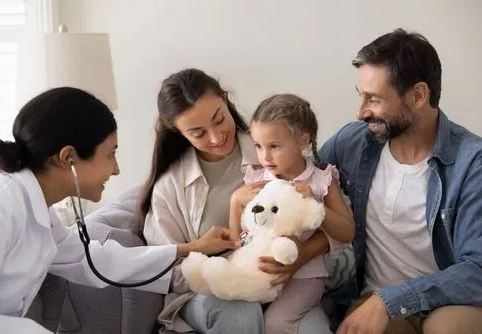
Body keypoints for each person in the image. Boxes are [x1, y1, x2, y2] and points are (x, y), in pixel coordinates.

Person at [0, 87, 239, 334]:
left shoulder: (37, 212)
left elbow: (94, 261)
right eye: (110, 154)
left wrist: (190, 248)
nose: (115, 170)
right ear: (68, 158)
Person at [141, 68, 337, 334]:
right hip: (211, 293)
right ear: (178, 132)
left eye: (219, 119)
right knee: (240, 314)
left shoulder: (271, 146)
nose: (216, 136)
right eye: (198, 133)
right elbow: (162, 268)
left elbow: (327, 227)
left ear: (225, 99)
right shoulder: (170, 187)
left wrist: (299, 257)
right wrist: (226, 272)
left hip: (286, 285)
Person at [318, 28, 482, 334]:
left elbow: (478, 268)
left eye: (374, 99)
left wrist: (392, 300)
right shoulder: (352, 143)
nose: (360, 111)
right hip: (373, 301)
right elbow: (300, 182)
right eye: (360, 96)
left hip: (450, 304)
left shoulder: (472, 163)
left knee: (446, 328)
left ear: (418, 96)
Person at [229, 93, 355, 334]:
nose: (265, 156)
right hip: (260, 273)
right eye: (258, 146)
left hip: (305, 278)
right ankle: (325, 308)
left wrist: (315, 205)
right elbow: (239, 242)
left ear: (303, 141)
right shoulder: (255, 180)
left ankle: (322, 303)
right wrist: (235, 204)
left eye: (274, 146)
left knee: (277, 324)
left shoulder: (321, 181)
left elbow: (347, 231)